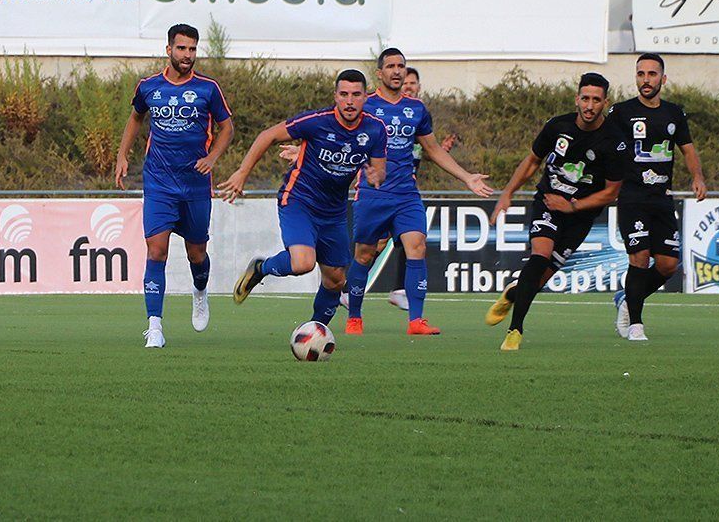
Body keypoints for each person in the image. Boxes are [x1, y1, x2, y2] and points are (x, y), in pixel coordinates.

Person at [218, 69, 386, 327]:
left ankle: (315, 331)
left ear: (366, 97)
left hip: (334, 212)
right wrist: (242, 173)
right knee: (303, 262)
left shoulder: (375, 130)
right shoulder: (317, 121)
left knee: (336, 280)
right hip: (299, 201)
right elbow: (268, 135)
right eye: (344, 94)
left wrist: (376, 174)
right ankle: (261, 269)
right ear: (335, 97)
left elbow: (379, 169)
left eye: (356, 94)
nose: (349, 101)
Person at [344, 48, 491, 336]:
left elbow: (433, 149)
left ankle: (416, 321)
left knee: (417, 246)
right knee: (364, 255)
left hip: (407, 195)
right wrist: (303, 152)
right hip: (373, 194)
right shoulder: (365, 104)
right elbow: (342, 138)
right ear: (380, 73)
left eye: (401, 66)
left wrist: (466, 177)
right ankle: (354, 317)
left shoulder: (417, 109)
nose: (397, 71)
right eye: (390, 66)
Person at [115, 23, 234, 349]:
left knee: (197, 253)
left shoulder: (208, 88)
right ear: (169, 49)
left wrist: (212, 157)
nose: (188, 55)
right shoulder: (149, 86)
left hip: (195, 184)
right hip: (159, 182)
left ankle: (200, 291)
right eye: (182, 48)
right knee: (157, 249)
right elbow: (136, 117)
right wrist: (122, 155)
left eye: (193, 49)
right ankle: (154, 326)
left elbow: (227, 127)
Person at [485, 73, 624, 351]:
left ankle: (513, 292)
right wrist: (508, 192)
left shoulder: (613, 140)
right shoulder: (557, 126)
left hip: (580, 217)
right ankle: (515, 330)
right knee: (539, 256)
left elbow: (611, 192)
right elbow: (532, 161)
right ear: (577, 99)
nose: (589, 105)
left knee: (538, 280)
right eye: (585, 98)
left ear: (605, 102)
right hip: (548, 203)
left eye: (596, 100)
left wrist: (572, 205)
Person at [606, 53, 707, 341]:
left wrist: (697, 177)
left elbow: (687, 149)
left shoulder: (674, 113)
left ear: (662, 79)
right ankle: (635, 324)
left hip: (662, 198)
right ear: (636, 78)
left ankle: (627, 299)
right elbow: (607, 150)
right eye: (641, 74)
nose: (645, 80)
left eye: (651, 74)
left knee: (667, 265)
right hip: (632, 197)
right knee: (638, 258)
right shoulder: (621, 113)